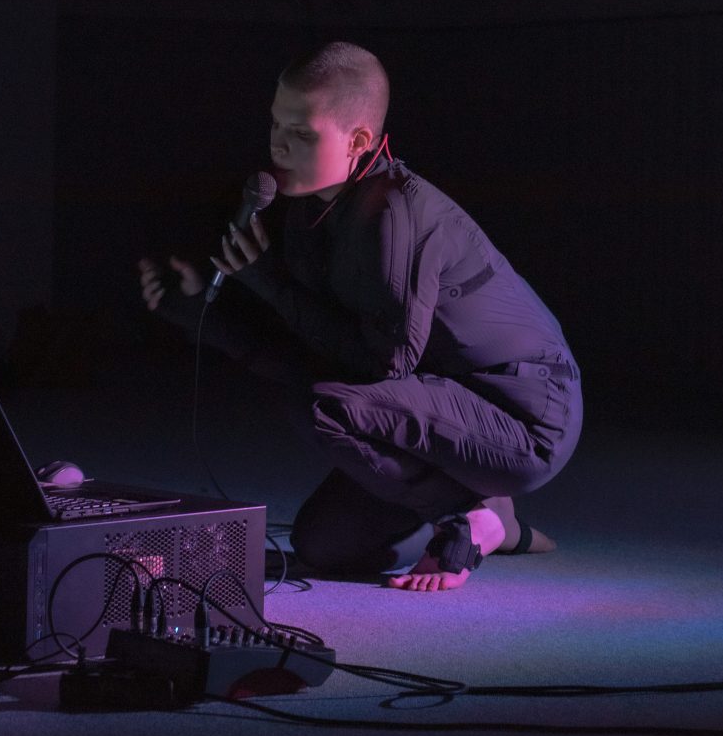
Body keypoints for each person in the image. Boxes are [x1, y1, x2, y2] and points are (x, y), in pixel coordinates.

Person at [141, 42, 580, 592]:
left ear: (358, 142)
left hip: (523, 417)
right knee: (322, 545)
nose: (278, 145)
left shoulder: (394, 215)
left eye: (301, 133)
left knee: (327, 404)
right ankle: (500, 522)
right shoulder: (311, 210)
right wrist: (202, 311)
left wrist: (268, 282)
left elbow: (379, 368)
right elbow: (311, 351)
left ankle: (463, 516)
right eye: (275, 124)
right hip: (437, 404)